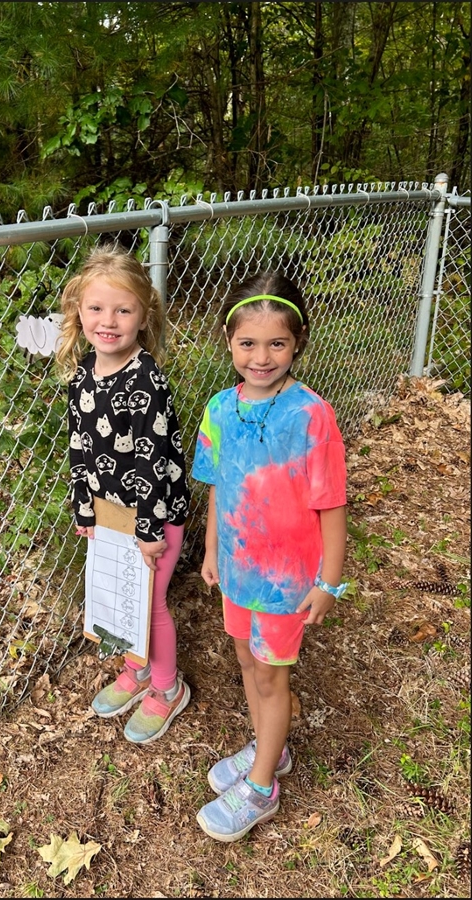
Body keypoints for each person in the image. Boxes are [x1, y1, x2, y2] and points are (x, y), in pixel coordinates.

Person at [191, 271, 347, 841]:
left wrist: (327, 583)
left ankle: (261, 788)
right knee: (247, 665)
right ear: (228, 343)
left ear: (297, 341)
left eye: (276, 343)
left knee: (271, 680)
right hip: (235, 568)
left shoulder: (311, 415)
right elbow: (217, 485)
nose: (261, 357)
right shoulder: (219, 408)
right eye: (247, 344)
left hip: (284, 581)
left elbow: (331, 505)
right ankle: (268, 750)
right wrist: (210, 549)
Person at [56, 243, 192, 744]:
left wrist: (149, 530)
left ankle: (166, 686)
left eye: (122, 309)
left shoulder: (145, 378)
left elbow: (154, 461)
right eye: (96, 308)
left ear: (143, 315)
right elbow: (80, 444)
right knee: (122, 600)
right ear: (78, 312)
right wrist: (84, 506)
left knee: (151, 604)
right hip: (110, 516)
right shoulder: (83, 373)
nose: (107, 320)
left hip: (153, 518)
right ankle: (136, 668)